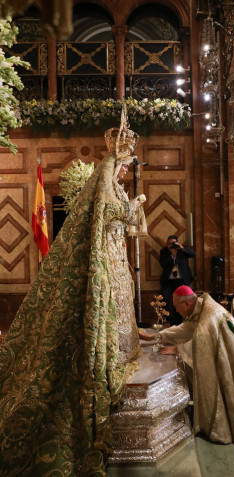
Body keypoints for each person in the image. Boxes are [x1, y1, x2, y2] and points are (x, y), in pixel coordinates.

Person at [0, 109, 143, 476]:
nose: (125, 171)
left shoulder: (111, 188)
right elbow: (112, 214)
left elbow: (120, 218)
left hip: (113, 261)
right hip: (103, 265)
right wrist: (131, 207)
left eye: (126, 166)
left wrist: (131, 207)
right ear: (113, 163)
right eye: (123, 165)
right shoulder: (104, 190)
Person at [139, 285, 234, 453]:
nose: (177, 312)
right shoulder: (199, 307)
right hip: (228, 353)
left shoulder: (210, 313)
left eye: (177, 307)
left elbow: (201, 339)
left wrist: (178, 349)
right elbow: (188, 328)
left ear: (186, 304)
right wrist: (157, 336)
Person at [160, 235, 195, 325]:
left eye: (173, 243)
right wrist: (172, 255)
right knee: (164, 298)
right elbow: (163, 263)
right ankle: (166, 320)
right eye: (170, 244)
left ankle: (177, 322)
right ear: (167, 244)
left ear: (177, 242)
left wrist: (182, 248)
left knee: (180, 300)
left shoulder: (182, 250)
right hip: (168, 281)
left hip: (181, 280)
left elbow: (193, 254)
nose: (172, 245)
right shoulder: (164, 252)